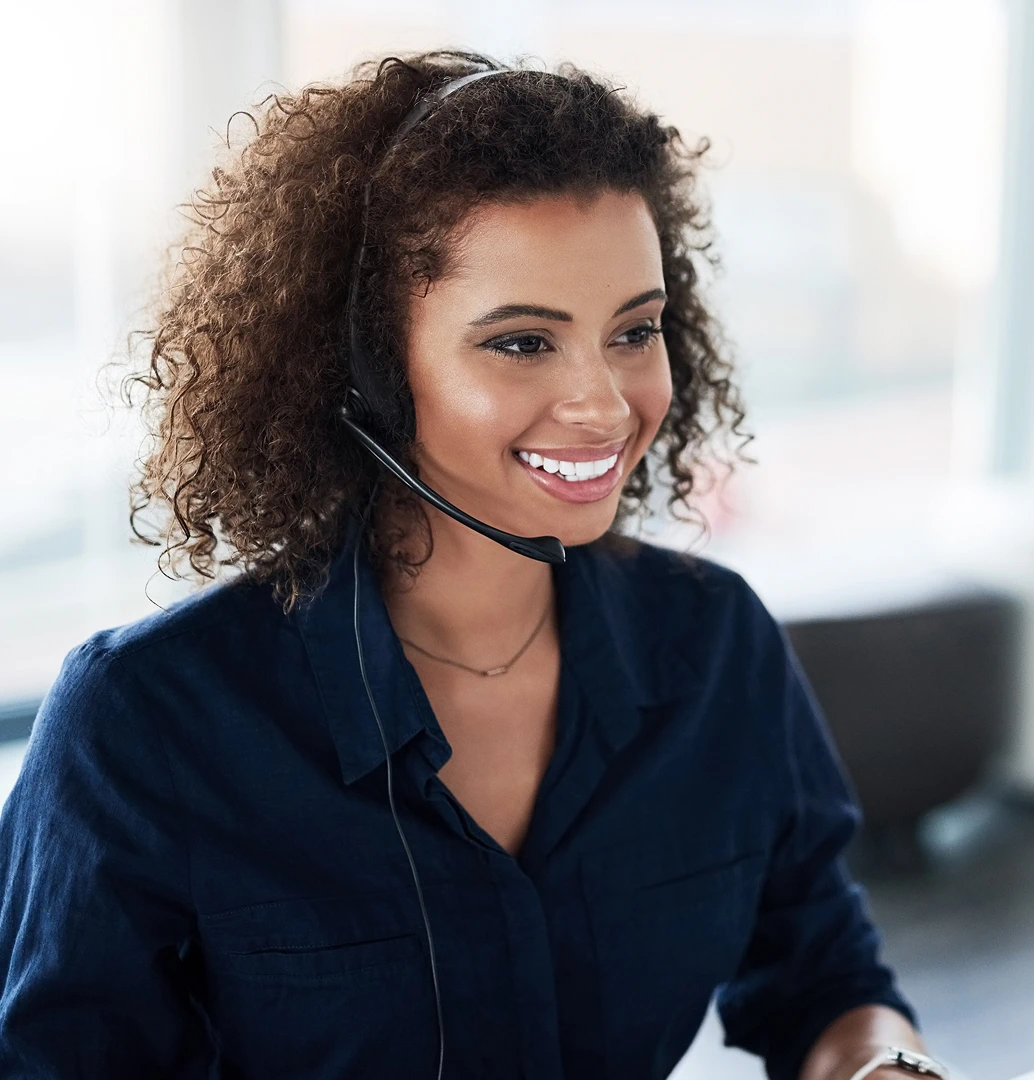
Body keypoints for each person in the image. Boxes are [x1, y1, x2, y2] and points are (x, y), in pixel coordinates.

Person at [0, 50, 939, 1080]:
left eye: (635, 329)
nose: (605, 403)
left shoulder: (714, 644)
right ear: (368, 368)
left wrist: (883, 1065)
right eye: (524, 343)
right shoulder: (146, 722)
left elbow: (826, 975)